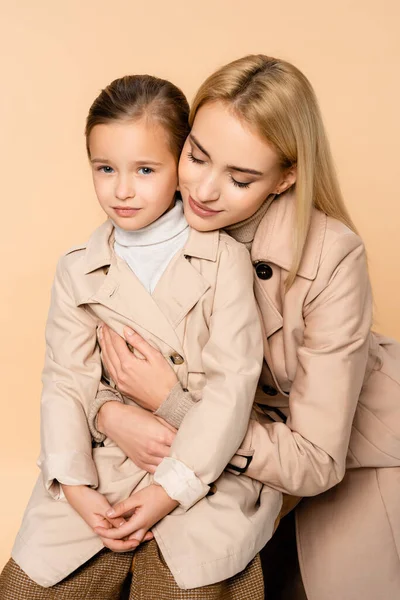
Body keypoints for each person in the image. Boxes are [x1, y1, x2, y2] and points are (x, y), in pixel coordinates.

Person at [93, 55, 400, 600]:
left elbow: (315, 459)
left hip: (350, 455)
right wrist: (107, 411)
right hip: (226, 453)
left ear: (287, 177)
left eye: (239, 178)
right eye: (196, 156)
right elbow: (97, 353)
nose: (204, 191)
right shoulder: (150, 209)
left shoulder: (334, 256)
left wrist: (175, 407)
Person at [0, 72, 287, 600]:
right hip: (103, 463)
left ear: (180, 165)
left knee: (191, 585)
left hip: (202, 467)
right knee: (27, 587)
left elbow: (232, 386)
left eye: (146, 169)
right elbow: (65, 380)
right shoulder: (78, 270)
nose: (122, 189)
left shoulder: (225, 260)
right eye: (105, 168)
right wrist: (77, 485)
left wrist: (169, 489)